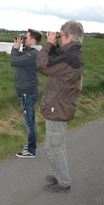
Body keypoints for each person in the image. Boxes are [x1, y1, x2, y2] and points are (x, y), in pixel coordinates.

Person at [36, 20, 84, 192]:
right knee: (56, 145)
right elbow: (56, 60)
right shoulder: (73, 55)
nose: (59, 37)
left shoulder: (70, 57)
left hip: (58, 107)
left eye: (61, 35)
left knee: (53, 147)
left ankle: (63, 182)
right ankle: (60, 175)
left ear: (69, 38)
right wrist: (55, 46)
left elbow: (43, 65)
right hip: (61, 105)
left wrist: (48, 44)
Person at [10, 28, 42, 158]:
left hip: (27, 93)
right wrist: (21, 44)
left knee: (29, 121)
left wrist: (15, 48)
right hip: (27, 91)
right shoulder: (30, 52)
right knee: (30, 119)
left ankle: (31, 150)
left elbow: (14, 61)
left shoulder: (33, 54)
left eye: (27, 37)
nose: (24, 39)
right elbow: (20, 58)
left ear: (33, 40)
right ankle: (31, 144)